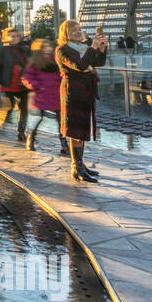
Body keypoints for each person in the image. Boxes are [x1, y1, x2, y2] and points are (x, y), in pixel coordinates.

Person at [56, 19, 107, 182]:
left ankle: (80, 165)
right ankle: (75, 167)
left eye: (79, 29)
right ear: (66, 34)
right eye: (73, 30)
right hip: (73, 92)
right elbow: (80, 65)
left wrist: (102, 48)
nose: (78, 32)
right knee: (75, 131)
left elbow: (98, 62)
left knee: (82, 129)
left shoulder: (84, 47)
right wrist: (92, 48)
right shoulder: (62, 50)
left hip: (86, 91)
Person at [22, 38, 68, 155]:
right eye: (44, 47)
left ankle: (64, 144)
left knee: (61, 120)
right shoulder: (35, 63)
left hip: (56, 94)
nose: (48, 49)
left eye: (49, 46)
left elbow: (62, 74)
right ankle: (31, 138)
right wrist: (36, 86)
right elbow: (26, 77)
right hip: (42, 94)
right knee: (39, 118)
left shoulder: (56, 60)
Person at [0, 27, 31, 142]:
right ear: (6, 38)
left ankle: (21, 132)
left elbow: (30, 62)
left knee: (24, 109)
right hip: (8, 83)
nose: (15, 38)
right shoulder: (3, 50)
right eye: (12, 36)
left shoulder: (25, 48)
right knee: (8, 106)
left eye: (17, 36)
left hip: (23, 84)